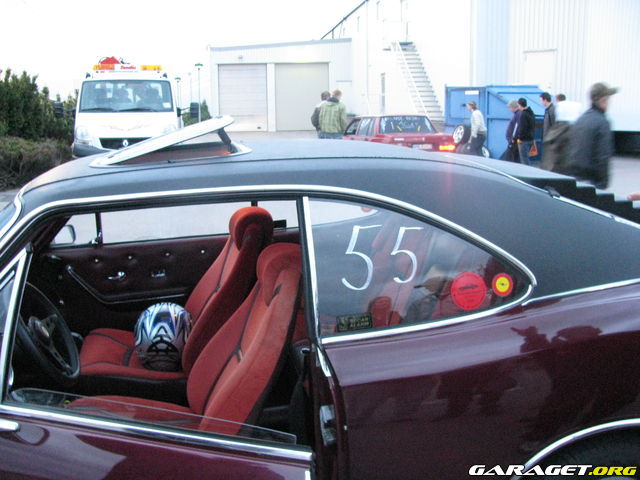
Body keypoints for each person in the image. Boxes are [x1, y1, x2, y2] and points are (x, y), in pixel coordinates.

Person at [568, 82, 618, 189]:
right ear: (603, 100)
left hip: (575, 178)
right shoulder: (602, 122)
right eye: (608, 99)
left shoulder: (580, 120)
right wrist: (603, 184)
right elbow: (603, 156)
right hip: (592, 182)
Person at [514, 98, 536, 165]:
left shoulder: (523, 114)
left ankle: (526, 170)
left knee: (524, 159)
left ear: (520, 105)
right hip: (531, 138)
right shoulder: (531, 112)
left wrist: (519, 137)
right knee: (527, 158)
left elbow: (522, 128)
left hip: (524, 140)